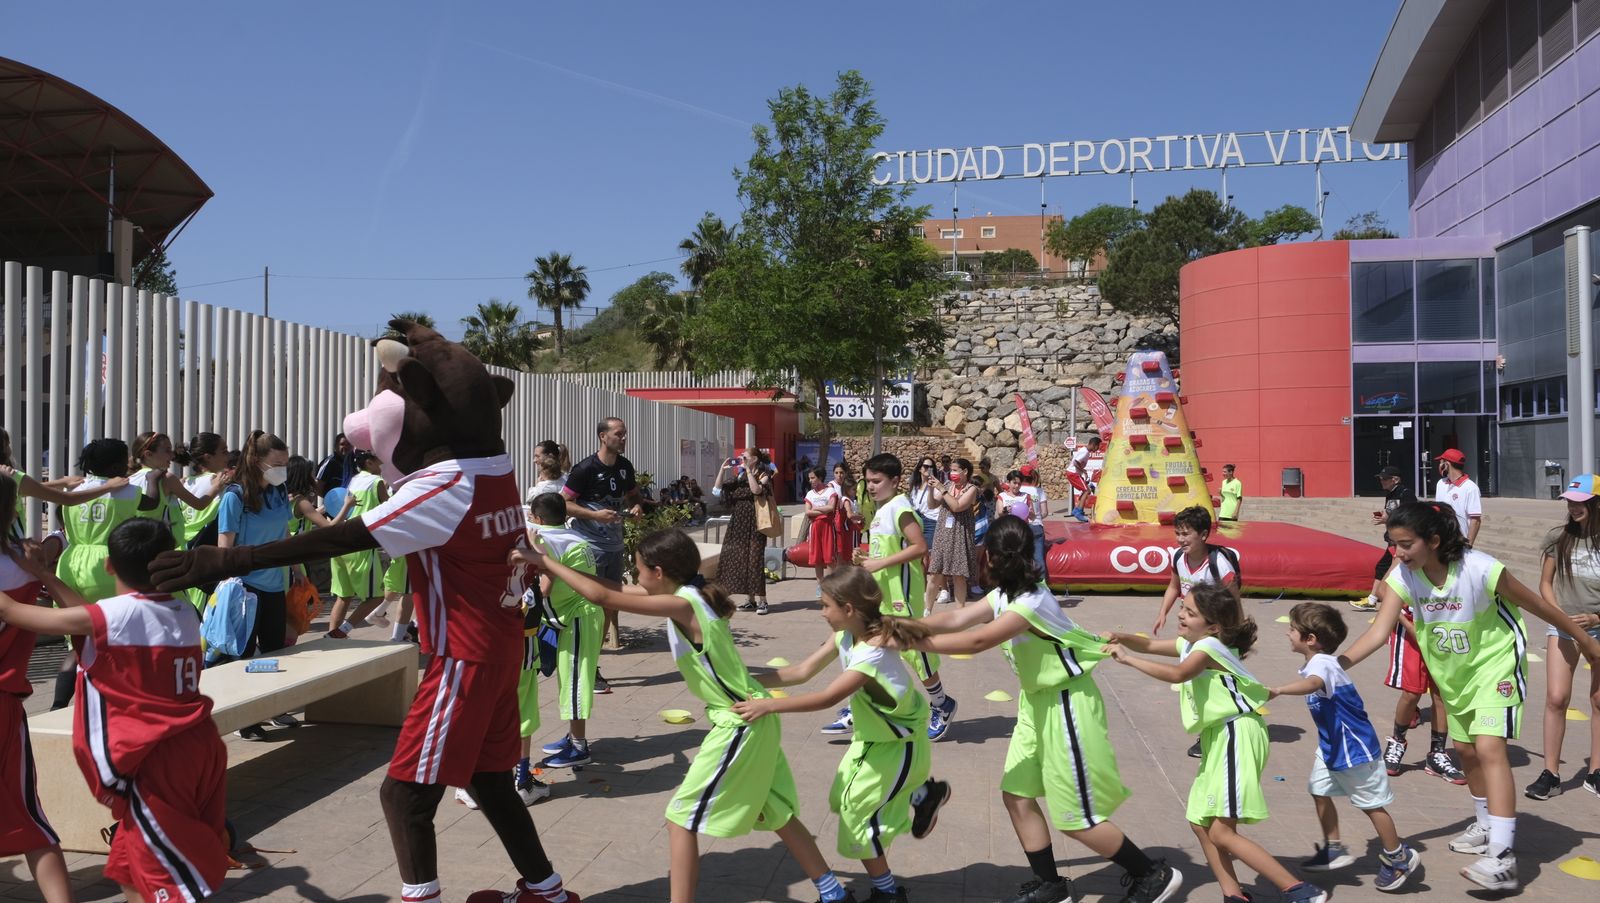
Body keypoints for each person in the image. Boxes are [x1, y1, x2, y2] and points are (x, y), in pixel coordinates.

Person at [515, 529, 860, 903]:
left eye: (639, 568)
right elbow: (607, 586)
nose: (635, 574)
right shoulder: (688, 595)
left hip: (740, 723)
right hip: (752, 717)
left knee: (680, 820)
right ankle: (832, 892)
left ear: (659, 571)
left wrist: (542, 561)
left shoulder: (685, 604)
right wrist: (554, 563)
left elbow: (602, 597)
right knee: (776, 811)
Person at [904, 516, 1181, 903]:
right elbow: (957, 617)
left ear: (996, 557)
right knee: (1016, 793)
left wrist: (909, 642)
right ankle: (1051, 886)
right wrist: (902, 625)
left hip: (1068, 705)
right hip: (1036, 704)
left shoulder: (1031, 603)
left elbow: (976, 640)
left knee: (1075, 819)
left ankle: (1152, 874)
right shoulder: (1007, 594)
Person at [1338, 501, 1600, 892]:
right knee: (1467, 752)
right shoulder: (1404, 576)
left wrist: (1584, 641)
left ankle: (1502, 857)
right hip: (1453, 675)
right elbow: (1378, 633)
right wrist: (1334, 665)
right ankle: (1485, 822)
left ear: (1435, 540)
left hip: (1496, 667)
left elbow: (1540, 606)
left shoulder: (1480, 569)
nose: (1399, 553)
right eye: (1394, 545)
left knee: (1489, 747)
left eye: (1406, 544)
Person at [0, 518, 229, 903]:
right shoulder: (182, 611)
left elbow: (19, 613)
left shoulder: (111, 617)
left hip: (156, 757)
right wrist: (39, 572)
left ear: (108, 565)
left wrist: (32, 575)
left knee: (161, 879)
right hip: (198, 745)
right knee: (127, 868)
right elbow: (91, 616)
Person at [735, 566, 952, 903]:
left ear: (848, 609)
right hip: (871, 742)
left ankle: (889, 893)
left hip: (900, 747)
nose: (822, 613)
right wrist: (740, 678)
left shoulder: (873, 654)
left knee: (856, 815)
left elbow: (828, 698)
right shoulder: (846, 636)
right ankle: (919, 793)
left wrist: (769, 707)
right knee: (841, 799)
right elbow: (801, 672)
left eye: (825, 606)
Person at [1104, 585, 1328, 903]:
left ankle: (1300, 891)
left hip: (1237, 733)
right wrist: (1121, 636)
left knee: (1222, 831)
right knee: (1199, 822)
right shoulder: (1196, 642)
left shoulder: (1208, 648)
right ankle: (1234, 895)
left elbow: (1180, 674)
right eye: (1182, 607)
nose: (1181, 613)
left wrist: (1127, 660)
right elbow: (1152, 644)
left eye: (1190, 612)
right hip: (1218, 736)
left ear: (1214, 626)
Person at [1267, 602, 1421, 891]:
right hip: (1331, 747)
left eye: (1292, 629)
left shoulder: (1322, 665)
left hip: (1355, 749)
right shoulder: (1319, 661)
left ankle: (1398, 857)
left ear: (1310, 639)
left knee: (1372, 806)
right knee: (1318, 790)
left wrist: (1278, 690)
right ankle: (1334, 846)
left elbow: (1314, 683)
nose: (1288, 634)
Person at [0, 477, 71, 903]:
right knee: (28, 814)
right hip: (5, 704)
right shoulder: (21, 565)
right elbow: (83, 616)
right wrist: (45, 561)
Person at [854, 453, 957, 742]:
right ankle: (867, 705)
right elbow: (886, 552)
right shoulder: (882, 510)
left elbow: (919, 546)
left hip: (903, 597)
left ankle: (942, 704)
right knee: (873, 648)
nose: (871, 486)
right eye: (868, 481)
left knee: (916, 653)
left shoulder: (900, 508)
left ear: (895, 481)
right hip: (883, 596)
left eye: (877, 481)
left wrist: (878, 564)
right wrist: (865, 558)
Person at [52, 438, 159, 710]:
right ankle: (112, 698)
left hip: (71, 561)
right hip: (105, 565)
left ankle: (59, 703)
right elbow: (150, 503)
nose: (128, 466)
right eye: (124, 461)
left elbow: (58, 513)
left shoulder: (76, 487)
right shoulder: (126, 489)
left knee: (77, 638)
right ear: (114, 465)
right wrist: (154, 479)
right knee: (112, 633)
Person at [1525, 473, 1600, 801]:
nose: (1573, 508)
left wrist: (1596, 618)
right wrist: (1558, 616)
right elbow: (1545, 583)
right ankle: (1551, 774)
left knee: (1599, 701)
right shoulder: (1558, 537)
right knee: (1556, 697)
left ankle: (1596, 771)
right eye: (1570, 501)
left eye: (1580, 502)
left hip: (1598, 624)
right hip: (1563, 626)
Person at [529, 491, 604, 775]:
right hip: (580, 616)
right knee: (569, 676)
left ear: (537, 518)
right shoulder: (571, 536)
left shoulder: (546, 540)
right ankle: (573, 735)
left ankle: (579, 746)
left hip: (577, 618)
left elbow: (544, 588)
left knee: (574, 679)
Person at [564, 418, 645, 649]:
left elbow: (634, 495)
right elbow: (563, 504)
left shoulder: (624, 466)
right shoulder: (585, 469)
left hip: (615, 546)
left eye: (625, 434)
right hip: (590, 546)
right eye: (619, 434)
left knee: (610, 605)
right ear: (603, 436)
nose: (624, 438)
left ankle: (595, 657)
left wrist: (637, 506)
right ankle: (586, 659)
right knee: (590, 605)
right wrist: (595, 515)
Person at [0, 427, 129, 542]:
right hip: (8, 549)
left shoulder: (10, 477)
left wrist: (61, 482)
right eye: (8, 444)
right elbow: (68, 499)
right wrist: (107, 487)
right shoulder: (9, 476)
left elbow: (29, 489)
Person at [326, 450, 389, 638]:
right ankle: (342, 631)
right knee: (377, 596)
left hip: (340, 542)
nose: (383, 464)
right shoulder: (376, 482)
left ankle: (330, 636)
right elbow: (390, 508)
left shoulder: (354, 480)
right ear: (369, 463)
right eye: (380, 460)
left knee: (343, 596)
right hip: (360, 544)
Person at [1150, 506, 1240, 636]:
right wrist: (1162, 613)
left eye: (1185, 534)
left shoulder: (1220, 565)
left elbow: (1235, 601)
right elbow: (1174, 587)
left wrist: (1236, 633)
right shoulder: (1178, 556)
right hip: (1190, 626)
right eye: (1177, 533)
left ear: (1203, 535)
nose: (1180, 539)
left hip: (1214, 629)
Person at [128, 431, 219, 539]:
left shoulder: (130, 479)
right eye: (167, 450)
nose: (172, 455)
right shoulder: (167, 478)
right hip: (164, 544)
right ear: (148, 454)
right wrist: (217, 486)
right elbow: (200, 505)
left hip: (137, 541)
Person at [716, 449, 773, 615]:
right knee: (741, 558)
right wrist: (722, 469)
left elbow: (756, 490)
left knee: (754, 560)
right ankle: (751, 600)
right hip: (738, 522)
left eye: (745, 457)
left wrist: (748, 470)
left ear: (754, 459)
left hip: (755, 523)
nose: (741, 459)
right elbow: (718, 488)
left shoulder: (764, 474)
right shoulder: (740, 476)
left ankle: (763, 600)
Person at [1355, 466, 1417, 612]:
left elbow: (1410, 516)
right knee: (1383, 567)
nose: (1382, 481)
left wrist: (1388, 519)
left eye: (1385, 479)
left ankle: (1379, 600)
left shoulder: (1406, 494)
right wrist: (1385, 518)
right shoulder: (1389, 494)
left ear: (1395, 479)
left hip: (1402, 541)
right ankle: (1373, 600)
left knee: (1389, 568)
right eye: (1381, 478)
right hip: (1393, 538)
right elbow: (1392, 513)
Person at [925, 458, 978, 609]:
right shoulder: (948, 486)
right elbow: (932, 504)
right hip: (943, 533)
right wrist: (930, 489)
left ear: (965, 471)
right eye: (952, 470)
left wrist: (942, 489)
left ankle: (959, 611)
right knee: (935, 572)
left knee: (959, 576)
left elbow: (957, 506)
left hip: (960, 534)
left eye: (955, 470)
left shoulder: (971, 488)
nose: (952, 473)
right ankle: (927, 610)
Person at [172, 433, 232, 551]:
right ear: (208, 457)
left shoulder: (185, 482)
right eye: (224, 451)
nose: (228, 455)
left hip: (181, 548)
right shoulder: (219, 481)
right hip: (205, 549)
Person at [1433, 448, 1482, 547]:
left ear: (1447, 464)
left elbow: (1475, 519)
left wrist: (1469, 544)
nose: (1439, 465)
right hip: (1441, 538)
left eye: (1441, 462)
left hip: (1458, 541)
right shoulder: (1441, 483)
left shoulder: (1470, 488)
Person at [803, 467, 841, 589]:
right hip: (815, 527)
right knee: (817, 558)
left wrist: (816, 508)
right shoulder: (810, 494)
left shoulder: (830, 491)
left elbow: (831, 508)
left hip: (828, 527)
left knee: (829, 557)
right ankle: (820, 586)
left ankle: (830, 586)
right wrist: (823, 510)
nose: (810, 480)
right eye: (809, 478)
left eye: (813, 478)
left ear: (819, 477)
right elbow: (808, 512)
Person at [1018, 463, 1049, 574]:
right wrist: (1037, 515)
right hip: (1036, 526)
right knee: (1038, 558)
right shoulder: (1039, 491)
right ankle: (1041, 586)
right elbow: (1045, 513)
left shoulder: (1017, 490)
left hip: (1020, 527)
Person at [908, 457, 941, 550]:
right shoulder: (915, 485)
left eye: (931, 467)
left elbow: (933, 505)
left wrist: (931, 489)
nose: (929, 469)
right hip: (916, 520)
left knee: (928, 552)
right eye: (926, 466)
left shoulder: (936, 485)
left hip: (930, 521)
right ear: (920, 469)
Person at [1067, 436, 1101, 523]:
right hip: (1073, 473)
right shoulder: (1085, 452)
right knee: (1086, 490)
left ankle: (1077, 509)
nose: (1097, 449)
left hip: (1074, 473)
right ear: (1093, 445)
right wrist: (1083, 471)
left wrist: (1082, 471)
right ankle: (1079, 512)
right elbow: (1075, 462)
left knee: (1087, 490)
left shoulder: (1085, 451)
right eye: (1097, 447)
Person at [314, 431, 357, 496]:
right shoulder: (329, 463)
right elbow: (318, 485)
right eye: (342, 444)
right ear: (335, 446)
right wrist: (330, 499)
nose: (345, 447)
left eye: (348, 444)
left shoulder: (355, 461)